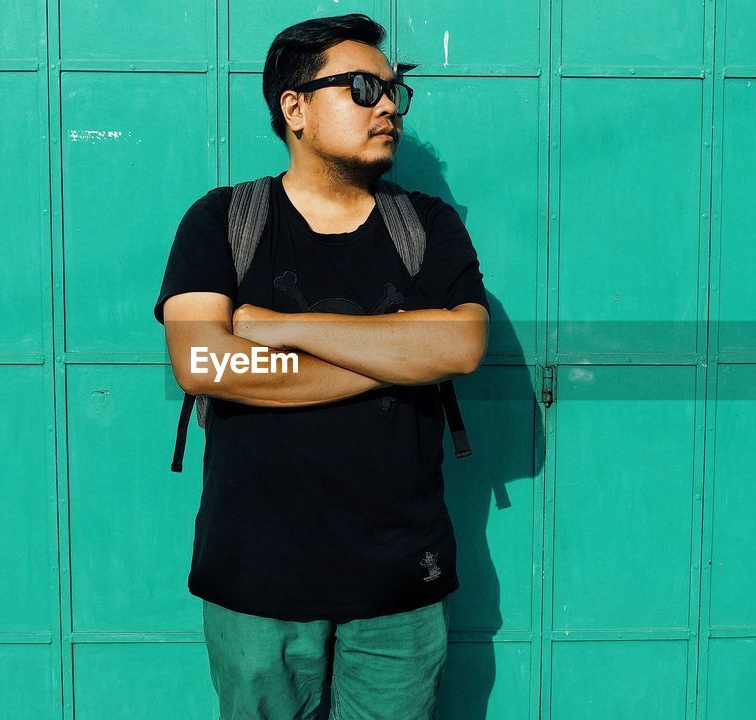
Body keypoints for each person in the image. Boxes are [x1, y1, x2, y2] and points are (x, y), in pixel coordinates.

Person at [153, 13, 490, 720]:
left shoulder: (427, 224)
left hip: (401, 582)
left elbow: (460, 348)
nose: (389, 106)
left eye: (395, 91)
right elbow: (204, 363)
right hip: (256, 584)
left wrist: (281, 327)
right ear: (294, 108)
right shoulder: (221, 222)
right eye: (363, 88)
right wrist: (399, 353)